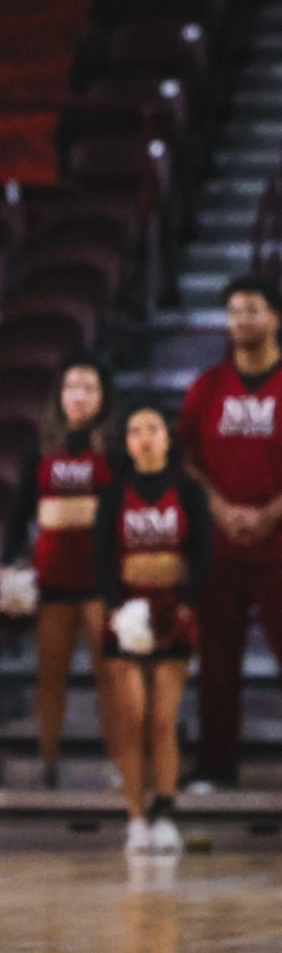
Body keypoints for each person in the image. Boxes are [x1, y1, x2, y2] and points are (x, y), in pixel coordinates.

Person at [176, 275, 282, 793]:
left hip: (279, 545)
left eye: (253, 311)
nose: (241, 320)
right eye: (234, 311)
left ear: (275, 319)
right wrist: (218, 506)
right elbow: (185, 458)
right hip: (221, 547)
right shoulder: (207, 386)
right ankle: (217, 767)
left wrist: (272, 511)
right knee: (217, 663)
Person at [95, 405, 209, 855]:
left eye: (153, 428)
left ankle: (165, 810)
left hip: (173, 611)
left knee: (163, 719)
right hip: (127, 613)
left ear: (168, 437)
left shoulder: (189, 491)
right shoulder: (112, 494)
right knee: (132, 717)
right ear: (126, 441)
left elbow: (203, 555)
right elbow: (101, 559)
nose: (143, 437)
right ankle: (136, 817)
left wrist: (187, 603)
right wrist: (117, 608)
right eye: (135, 429)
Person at [1, 359, 118, 789]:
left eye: (89, 386)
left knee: (111, 674)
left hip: (101, 573)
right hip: (53, 572)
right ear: (59, 395)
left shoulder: (115, 445)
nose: (80, 395)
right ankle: (48, 761)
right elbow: (18, 513)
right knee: (50, 675)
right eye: (72, 386)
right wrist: (10, 559)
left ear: (103, 396)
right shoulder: (42, 446)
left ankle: (118, 762)